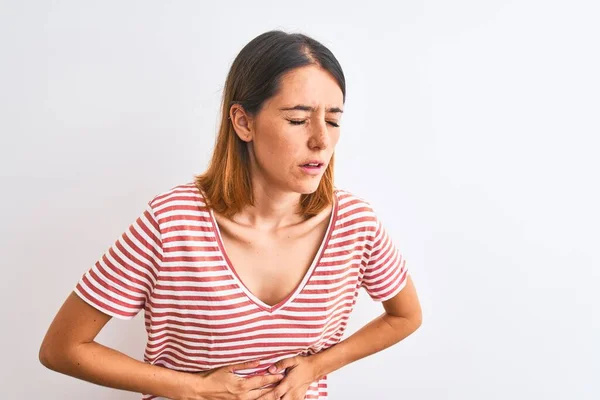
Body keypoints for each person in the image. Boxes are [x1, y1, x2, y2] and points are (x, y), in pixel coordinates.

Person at [39, 30, 422, 400]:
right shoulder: (172, 222)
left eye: (334, 120)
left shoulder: (355, 224)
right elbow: (62, 347)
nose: (322, 140)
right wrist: (196, 389)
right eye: (297, 119)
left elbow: (405, 316)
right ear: (243, 122)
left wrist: (317, 365)